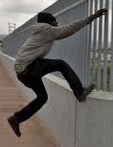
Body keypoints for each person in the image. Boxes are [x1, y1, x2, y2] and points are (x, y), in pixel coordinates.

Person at [7, 8, 107, 137]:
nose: (57, 24)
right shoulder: (46, 30)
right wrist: (91, 17)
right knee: (61, 64)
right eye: (55, 21)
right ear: (49, 23)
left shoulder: (40, 31)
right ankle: (80, 92)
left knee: (42, 98)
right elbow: (70, 29)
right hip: (29, 69)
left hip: (23, 73)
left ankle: (17, 119)